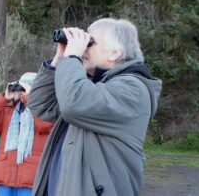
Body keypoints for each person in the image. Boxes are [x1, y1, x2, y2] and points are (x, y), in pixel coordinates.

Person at [27, 18, 162, 196]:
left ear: (115, 53)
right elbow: (40, 105)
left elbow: (74, 104)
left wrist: (72, 58)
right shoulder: (91, 87)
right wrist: (59, 60)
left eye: (90, 42)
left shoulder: (133, 90)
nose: (83, 48)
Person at [0, 72, 53, 196]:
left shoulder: (44, 108)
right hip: (6, 175)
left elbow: (45, 126)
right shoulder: (10, 109)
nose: (21, 91)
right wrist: (4, 97)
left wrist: (30, 98)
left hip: (31, 177)